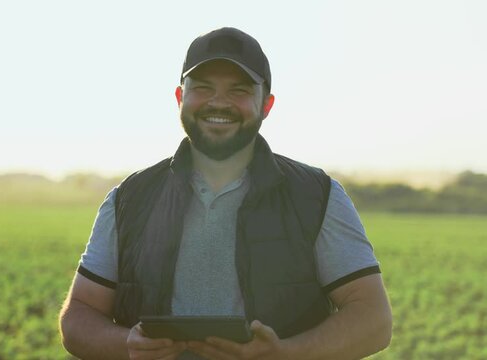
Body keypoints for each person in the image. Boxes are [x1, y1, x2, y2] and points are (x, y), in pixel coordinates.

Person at [60, 27, 392, 360]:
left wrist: (286, 354)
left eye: (239, 90)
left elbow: (373, 321)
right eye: (203, 88)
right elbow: (79, 316)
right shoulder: (129, 199)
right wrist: (127, 346)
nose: (219, 102)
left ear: (266, 105)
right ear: (180, 98)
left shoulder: (318, 196)